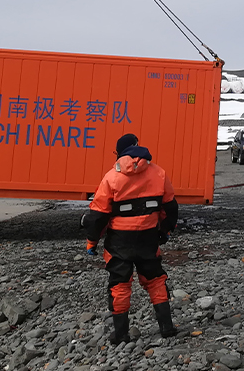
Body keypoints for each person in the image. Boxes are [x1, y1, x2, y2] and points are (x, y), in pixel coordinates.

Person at [82, 133, 179, 344]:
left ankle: (121, 334)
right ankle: (167, 327)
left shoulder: (111, 177)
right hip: (148, 237)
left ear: (119, 153)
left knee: (120, 284)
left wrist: (92, 242)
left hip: (120, 241)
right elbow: (170, 208)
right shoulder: (159, 173)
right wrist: (165, 231)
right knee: (155, 280)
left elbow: (97, 216)